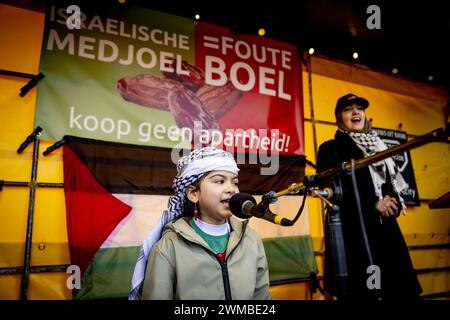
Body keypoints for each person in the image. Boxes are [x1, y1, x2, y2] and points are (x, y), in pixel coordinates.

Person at [129, 146, 272, 300]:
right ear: (193, 193)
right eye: (220, 181)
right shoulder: (169, 247)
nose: (231, 189)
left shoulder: (252, 240)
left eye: (235, 182)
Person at [316, 93, 422, 300]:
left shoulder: (380, 146)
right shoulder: (330, 148)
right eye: (348, 109)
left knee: (398, 291)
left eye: (359, 108)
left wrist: (393, 204)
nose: (356, 113)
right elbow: (332, 192)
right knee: (365, 293)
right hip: (355, 235)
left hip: (387, 232)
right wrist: (373, 204)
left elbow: (392, 186)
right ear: (339, 117)